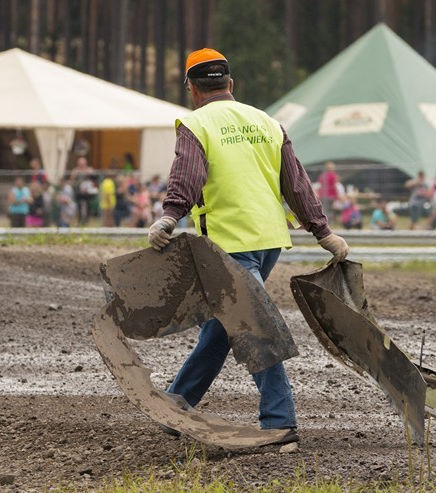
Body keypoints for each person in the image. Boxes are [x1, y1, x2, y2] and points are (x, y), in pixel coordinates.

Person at [147, 48, 348, 444]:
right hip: (269, 241)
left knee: (252, 326)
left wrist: (170, 216)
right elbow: (296, 183)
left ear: (191, 88)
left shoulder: (195, 123)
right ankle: (176, 406)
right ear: (230, 84)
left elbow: (187, 173)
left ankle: (279, 420)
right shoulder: (267, 122)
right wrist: (323, 231)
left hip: (227, 243)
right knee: (222, 327)